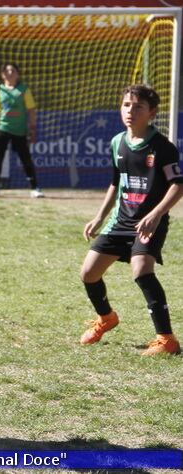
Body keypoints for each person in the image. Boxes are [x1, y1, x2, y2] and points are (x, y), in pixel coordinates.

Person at [79, 84, 183, 356]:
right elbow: (116, 182)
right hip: (120, 221)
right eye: (126, 105)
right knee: (89, 273)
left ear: (152, 113)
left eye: (138, 107)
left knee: (141, 270)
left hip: (149, 222)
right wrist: (99, 216)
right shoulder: (117, 142)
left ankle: (166, 340)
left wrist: (156, 214)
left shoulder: (163, 147)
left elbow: (177, 185)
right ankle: (107, 318)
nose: (130, 111)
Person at [0, 63, 43, 198]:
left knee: (25, 159)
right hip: (3, 129)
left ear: (18, 74)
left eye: (12, 70)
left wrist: (32, 128)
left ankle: (35, 188)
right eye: (6, 70)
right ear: (2, 74)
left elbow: (31, 110)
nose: (9, 72)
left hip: (20, 130)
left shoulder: (24, 90)